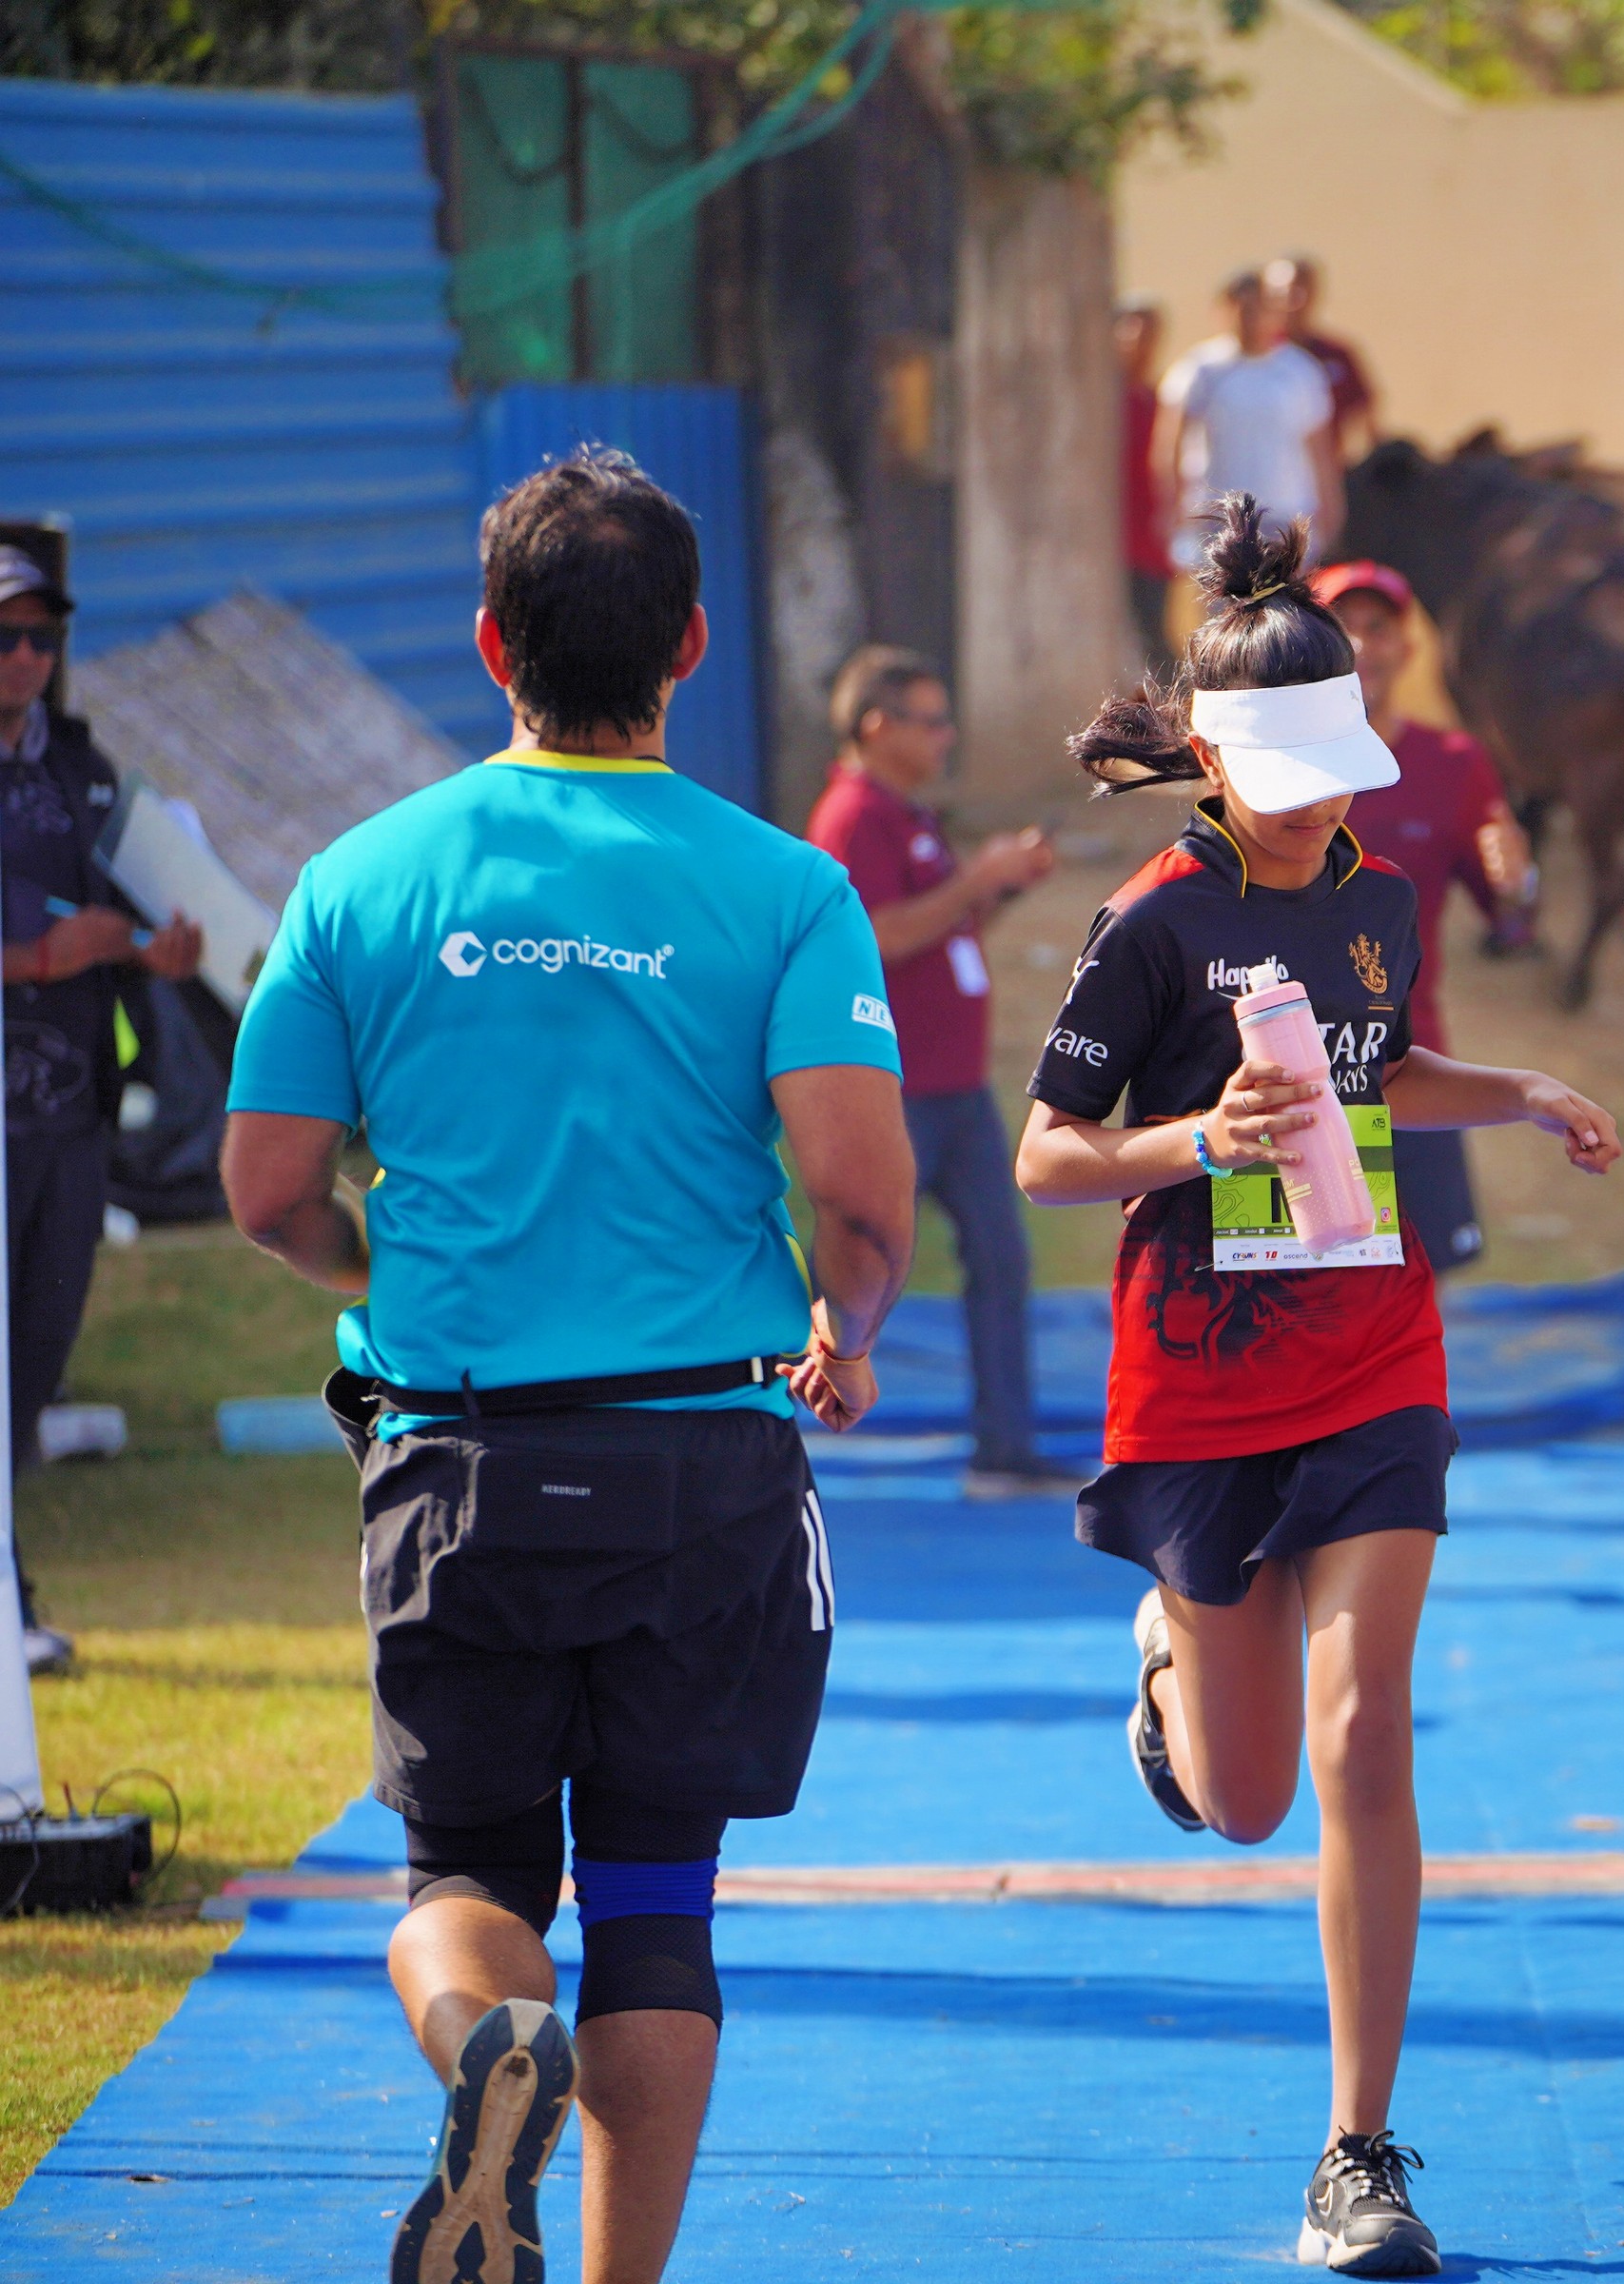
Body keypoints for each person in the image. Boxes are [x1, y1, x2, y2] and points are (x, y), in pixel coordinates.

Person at [219, 448, 918, 2284]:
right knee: (662, 1904)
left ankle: (484, 2043)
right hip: (703, 1461)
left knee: (464, 1880)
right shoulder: (788, 889)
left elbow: (267, 1189)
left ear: (489, 642)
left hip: (458, 1463)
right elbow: (860, 1204)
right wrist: (846, 1330)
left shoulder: (360, 878)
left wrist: (385, 1267)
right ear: (689, 645)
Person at [1016, 500, 1618, 2279]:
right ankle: (1166, 1658)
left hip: (1372, 1349)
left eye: (1331, 775)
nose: (1310, 808)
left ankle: (1357, 2155)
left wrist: (1519, 1092)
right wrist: (1198, 1140)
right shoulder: (1149, 923)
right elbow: (1050, 1155)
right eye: (1276, 780)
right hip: (1199, 1383)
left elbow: (1379, 1066)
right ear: (1210, 759)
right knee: (1250, 1799)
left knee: (1365, 1737)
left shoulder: (1379, 898)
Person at [0, 542, 206, 1678]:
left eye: (44, 637)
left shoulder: (83, 766)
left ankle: (8, 1595)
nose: (28, 657)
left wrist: (154, 949)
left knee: (35, 1358)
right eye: (7, 637)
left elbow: (128, 908)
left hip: (72, 1119)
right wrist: (34, 957)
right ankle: (11, 1604)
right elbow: (49, 936)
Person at [805, 646, 1068, 1496]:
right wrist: (976, 878)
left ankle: (1004, 1449)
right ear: (877, 726)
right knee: (862, 1262)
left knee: (1000, 1259)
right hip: (898, 1091)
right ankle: (785, 1421)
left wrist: (998, 886)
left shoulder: (906, 815)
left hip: (956, 1088)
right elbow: (874, 937)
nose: (946, 736)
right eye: (930, 720)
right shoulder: (853, 816)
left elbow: (941, 932)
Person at [1309, 560, 1533, 1272]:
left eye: (1378, 628)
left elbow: (1512, 926)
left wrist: (1519, 884)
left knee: (1420, 1276)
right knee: (1287, 1284)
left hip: (1404, 1066)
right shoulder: (1274, 766)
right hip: (1287, 1076)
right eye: (1343, 628)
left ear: (1406, 648)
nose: (1361, 645)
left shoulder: (1452, 764)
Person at [1160, 268, 1341, 575]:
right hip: (1219, 519)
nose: (1252, 318)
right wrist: (1172, 506)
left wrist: (1331, 508)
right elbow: (1170, 444)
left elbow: (1319, 449)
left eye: (1261, 309)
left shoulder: (1300, 371)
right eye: (1243, 308)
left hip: (1285, 516)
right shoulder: (1201, 369)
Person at [1268, 253, 1379, 463]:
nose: (1293, 300)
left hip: (1325, 471)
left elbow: (1365, 415)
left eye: (1302, 289)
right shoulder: (1251, 360)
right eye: (1284, 291)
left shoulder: (1337, 355)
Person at [1115, 294, 1175, 673]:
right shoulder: (1095, 405)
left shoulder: (1162, 403)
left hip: (1149, 543)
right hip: (1104, 543)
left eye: (1149, 333)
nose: (1139, 342)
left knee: (1150, 635)